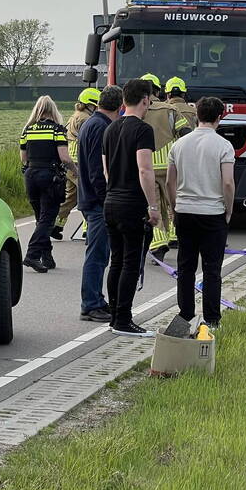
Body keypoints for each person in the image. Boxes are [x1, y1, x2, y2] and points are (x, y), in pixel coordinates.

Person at [167, 96, 235, 329]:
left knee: (185, 267)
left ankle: (186, 315)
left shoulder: (179, 145)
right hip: (213, 213)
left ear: (196, 115)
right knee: (212, 269)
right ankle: (212, 319)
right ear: (219, 117)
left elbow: (170, 182)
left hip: (185, 211)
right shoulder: (223, 146)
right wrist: (228, 210)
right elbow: (228, 183)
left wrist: (175, 207)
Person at [102, 79, 160, 337]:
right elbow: (145, 170)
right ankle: (124, 319)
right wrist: (153, 205)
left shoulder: (110, 128)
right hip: (132, 203)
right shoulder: (143, 130)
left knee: (116, 261)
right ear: (145, 100)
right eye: (150, 101)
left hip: (111, 200)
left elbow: (106, 170)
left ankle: (114, 315)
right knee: (131, 262)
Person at [76, 85, 122, 322]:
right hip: (97, 203)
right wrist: (107, 200)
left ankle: (96, 299)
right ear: (119, 106)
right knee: (97, 255)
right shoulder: (100, 127)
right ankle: (91, 304)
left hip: (90, 199)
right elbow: (97, 171)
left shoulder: (92, 123)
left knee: (100, 254)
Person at [19, 96, 73, 273]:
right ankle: (32, 255)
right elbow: (64, 157)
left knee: (40, 218)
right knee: (47, 219)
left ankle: (47, 257)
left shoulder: (28, 130)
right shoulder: (57, 130)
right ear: (53, 110)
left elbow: (23, 157)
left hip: (31, 175)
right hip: (50, 177)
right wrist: (76, 171)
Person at [139, 73, 190, 263]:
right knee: (174, 205)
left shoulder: (138, 111)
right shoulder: (170, 109)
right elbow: (186, 133)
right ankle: (181, 236)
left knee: (153, 206)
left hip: (147, 168)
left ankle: (159, 243)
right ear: (158, 91)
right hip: (170, 168)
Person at [53, 87, 99, 240]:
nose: (97, 108)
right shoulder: (86, 119)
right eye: (95, 105)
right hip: (78, 163)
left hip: (71, 162)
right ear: (89, 104)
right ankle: (89, 227)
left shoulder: (75, 116)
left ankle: (55, 225)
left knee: (71, 197)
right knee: (89, 194)